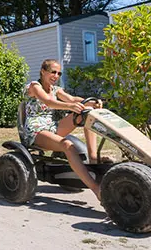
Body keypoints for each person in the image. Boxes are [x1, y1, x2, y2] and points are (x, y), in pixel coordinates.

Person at [22, 59, 103, 199]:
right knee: (68, 145)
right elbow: (49, 102)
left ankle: (93, 160)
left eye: (59, 73)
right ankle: (96, 189)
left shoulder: (55, 89)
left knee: (87, 113)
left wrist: (92, 102)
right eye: (53, 72)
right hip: (37, 130)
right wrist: (70, 107)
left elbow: (72, 99)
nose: (56, 76)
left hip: (53, 127)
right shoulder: (34, 86)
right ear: (43, 71)